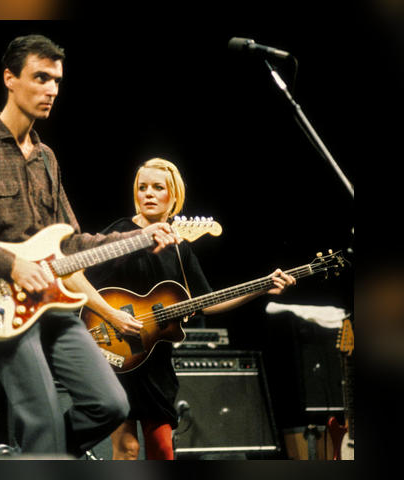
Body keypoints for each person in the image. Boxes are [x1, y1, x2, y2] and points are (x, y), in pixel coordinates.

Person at [0, 34, 180, 457]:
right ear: (10, 78)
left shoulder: (47, 159)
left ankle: (34, 456)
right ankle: (44, 452)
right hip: (4, 308)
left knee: (111, 405)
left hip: (55, 306)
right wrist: (9, 264)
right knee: (41, 416)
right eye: (41, 78)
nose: (52, 90)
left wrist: (138, 238)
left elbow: (72, 241)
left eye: (56, 80)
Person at [84, 158, 296, 460]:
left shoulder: (181, 248)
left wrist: (261, 287)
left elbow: (208, 302)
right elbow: (80, 281)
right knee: (127, 449)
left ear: (174, 196)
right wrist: (109, 314)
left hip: (156, 361)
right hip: (118, 354)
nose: (149, 193)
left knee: (162, 449)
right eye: (142, 187)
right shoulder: (119, 233)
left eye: (158, 187)